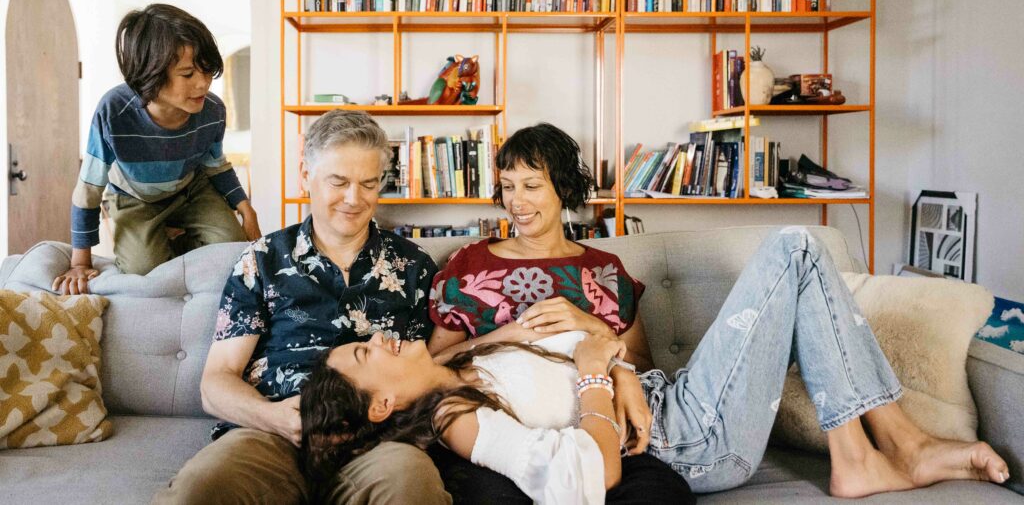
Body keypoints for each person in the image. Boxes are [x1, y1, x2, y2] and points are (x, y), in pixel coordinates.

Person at [300, 228, 1011, 503]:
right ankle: (899, 446)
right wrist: (591, 370)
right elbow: (589, 472)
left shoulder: (463, 366)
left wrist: (617, 370)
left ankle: (869, 452)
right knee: (793, 246)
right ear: (379, 407)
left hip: (674, 398)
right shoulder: (459, 423)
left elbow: (606, 349)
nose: (385, 338)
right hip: (693, 439)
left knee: (799, 252)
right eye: (367, 354)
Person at [151, 110, 449, 505]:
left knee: (412, 487)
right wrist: (275, 418)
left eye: (368, 183)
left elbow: (431, 370)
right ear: (306, 176)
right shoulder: (262, 260)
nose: (354, 198)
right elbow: (216, 382)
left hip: (378, 446)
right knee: (199, 490)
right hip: (268, 433)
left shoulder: (414, 267)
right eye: (338, 182)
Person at [424, 122, 686, 501]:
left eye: (531, 186)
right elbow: (434, 366)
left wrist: (589, 323)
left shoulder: (605, 270)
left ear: (563, 188)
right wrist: (503, 335)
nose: (517, 201)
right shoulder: (469, 266)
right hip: (499, 436)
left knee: (663, 494)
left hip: (596, 428)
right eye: (509, 186)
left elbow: (643, 368)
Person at [54, 3, 260, 293]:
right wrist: (80, 262)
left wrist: (246, 210)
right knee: (143, 269)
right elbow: (89, 188)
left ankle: (177, 239)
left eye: (206, 70)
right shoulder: (114, 112)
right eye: (188, 74)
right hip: (134, 198)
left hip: (192, 192)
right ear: (148, 73)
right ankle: (161, 239)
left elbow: (216, 165)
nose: (202, 83)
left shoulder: (213, 110)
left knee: (233, 252)